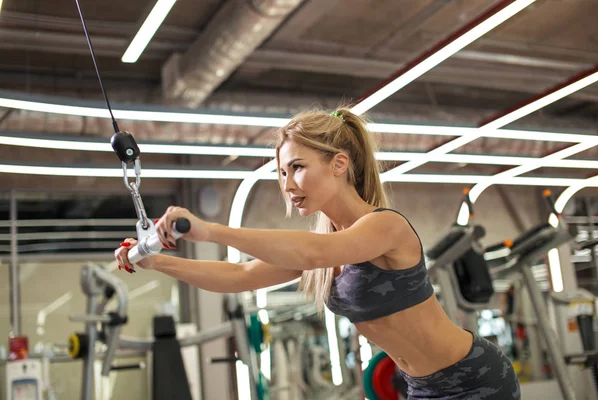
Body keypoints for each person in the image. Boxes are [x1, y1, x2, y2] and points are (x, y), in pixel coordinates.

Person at [115, 107, 520, 399]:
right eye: (281, 173)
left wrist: (209, 229)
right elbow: (240, 277)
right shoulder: (329, 247)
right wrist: (156, 261)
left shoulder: (384, 226)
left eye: (297, 167)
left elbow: (311, 252)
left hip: (475, 379)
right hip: (421, 387)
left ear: (339, 163)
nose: (288, 183)